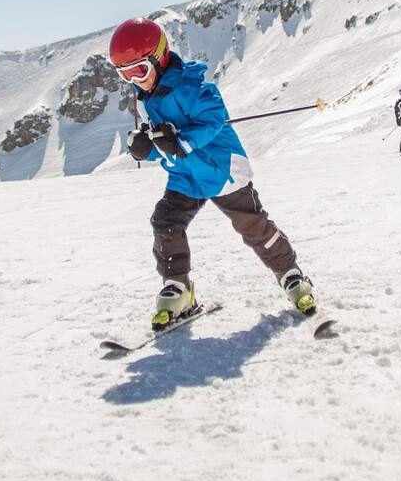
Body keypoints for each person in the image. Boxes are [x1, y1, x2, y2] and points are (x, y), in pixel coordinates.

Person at [108, 18, 317, 329]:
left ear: (159, 58)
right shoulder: (146, 100)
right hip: (185, 176)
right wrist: (145, 147)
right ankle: (178, 288)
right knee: (165, 222)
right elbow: (161, 143)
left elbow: (213, 119)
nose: (135, 81)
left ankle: (291, 275)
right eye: (125, 75)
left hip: (221, 171)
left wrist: (182, 141)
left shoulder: (196, 87)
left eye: (139, 71)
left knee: (253, 226)